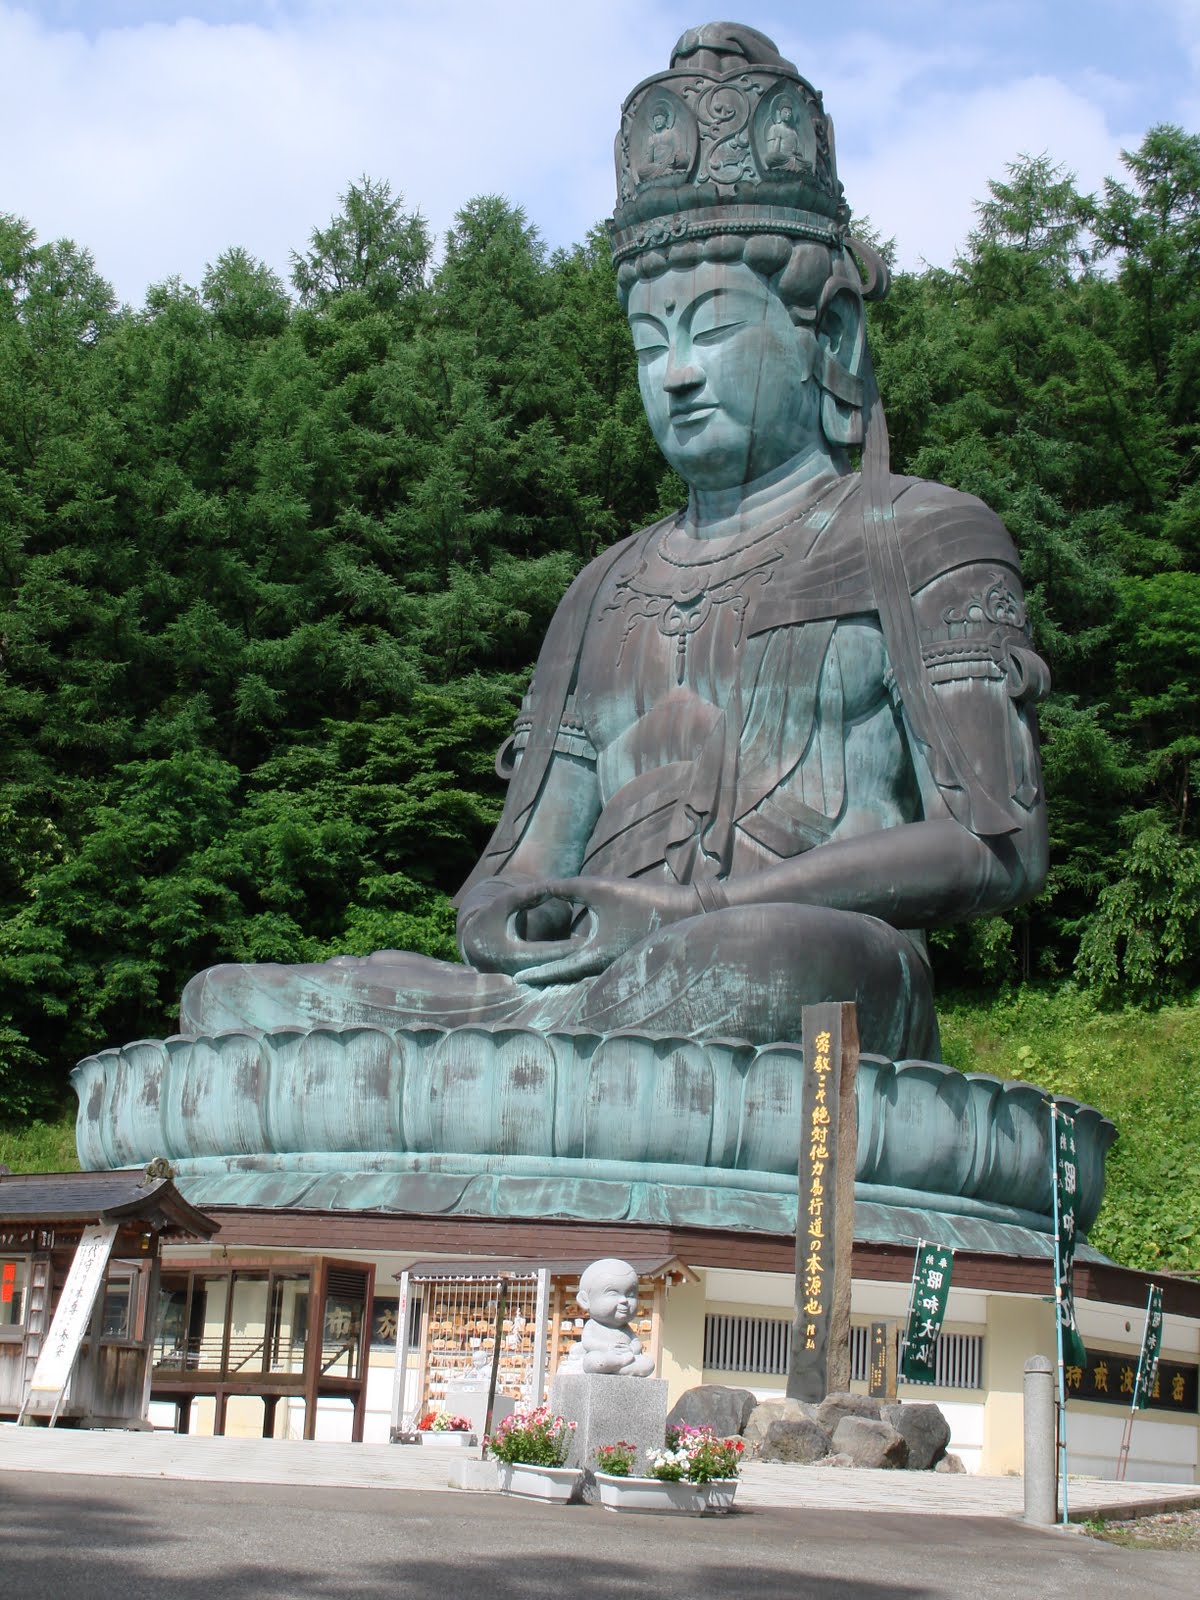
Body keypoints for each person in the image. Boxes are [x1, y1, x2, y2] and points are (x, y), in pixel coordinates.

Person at [180, 24, 1048, 1064]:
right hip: (592, 981)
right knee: (228, 1001)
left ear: (834, 340)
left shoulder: (923, 534)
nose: (676, 373)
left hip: (800, 971)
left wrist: (700, 908)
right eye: (651, 342)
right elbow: (514, 866)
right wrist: (511, 916)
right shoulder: (604, 589)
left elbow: (994, 843)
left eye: (715, 331)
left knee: (764, 958)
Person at [575, 1258, 655, 1377]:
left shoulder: (625, 1328)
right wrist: (608, 1348)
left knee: (648, 1363)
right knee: (593, 1360)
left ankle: (617, 1368)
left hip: (627, 1356)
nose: (624, 1300)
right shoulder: (593, 1325)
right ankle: (618, 1364)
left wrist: (631, 1350)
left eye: (630, 1295)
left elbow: (635, 1342)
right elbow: (588, 1342)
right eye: (613, 1293)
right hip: (605, 1356)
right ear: (585, 1300)